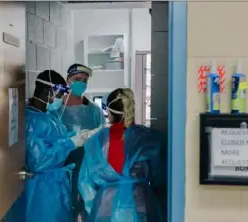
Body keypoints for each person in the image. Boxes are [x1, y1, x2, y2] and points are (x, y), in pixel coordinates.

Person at [78, 88, 163, 222]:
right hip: (140, 208)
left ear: (109, 112)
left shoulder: (97, 141)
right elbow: (158, 177)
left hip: (106, 210)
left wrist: (94, 207)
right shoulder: (146, 138)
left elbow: (85, 183)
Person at [25, 70, 96, 222]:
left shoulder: (51, 115)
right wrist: (70, 143)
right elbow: (39, 160)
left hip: (59, 186)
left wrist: (78, 136)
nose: (61, 97)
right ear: (47, 90)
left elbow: (58, 137)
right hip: (43, 191)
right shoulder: (31, 120)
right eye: (59, 92)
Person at [58, 63, 106, 221]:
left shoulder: (94, 111)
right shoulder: (56, 110)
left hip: (86, 169)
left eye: (85, 80)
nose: (81, 83)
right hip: (59, 168)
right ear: (67, 80)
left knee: (83, 208)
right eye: (77, 79)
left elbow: (102, 143)